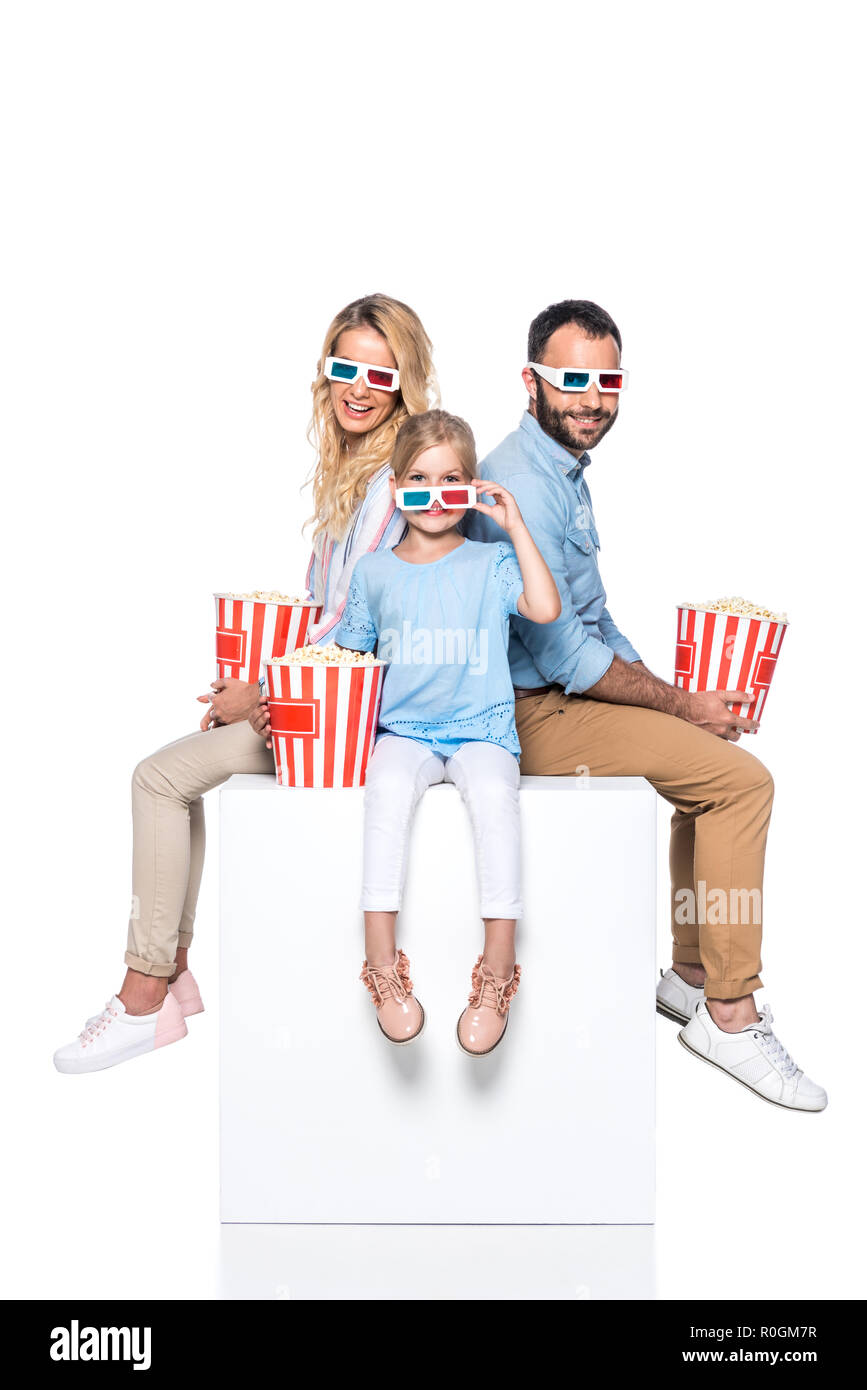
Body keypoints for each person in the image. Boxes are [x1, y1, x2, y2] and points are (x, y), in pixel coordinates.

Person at [54, 294, 438, 1074]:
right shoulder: (353, 469)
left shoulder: (394, 478)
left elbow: (353, 625)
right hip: (335, 697)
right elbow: (324, 611)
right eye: (343, 368)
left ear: (404, 380)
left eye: (377, 372)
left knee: (158, 778)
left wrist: (262, 695)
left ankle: (144, 993)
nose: (357, 387)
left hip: (367, 716)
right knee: (176, 775)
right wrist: (257, 681)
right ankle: (171, 972)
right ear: (324, 373)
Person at [465, 299, 827, 1110]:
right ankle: (729, 1014)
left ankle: (689, 976)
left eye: (608, 380)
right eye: (572, 380)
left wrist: (674, 703)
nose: (592, 397)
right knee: (742, 783)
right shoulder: (522, 479)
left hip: (562, 694)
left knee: (713, 771)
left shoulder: (559, 470)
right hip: (530, 715)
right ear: (531, 382)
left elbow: (597, 618)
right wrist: (677, 705)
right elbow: (564, 654)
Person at [333, 409, 560, 1055]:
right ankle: (381, 966)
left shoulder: (490, 562)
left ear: (473, 488)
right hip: (403, 729)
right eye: (418, 481)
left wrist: (514, 527)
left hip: (481, 728)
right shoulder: (374, 572)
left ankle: (496, 971)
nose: (434, 498)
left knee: (494, 803)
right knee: (385, 800)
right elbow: (348, 661)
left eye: (451, 481)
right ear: (396, 485)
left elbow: (544, 608)